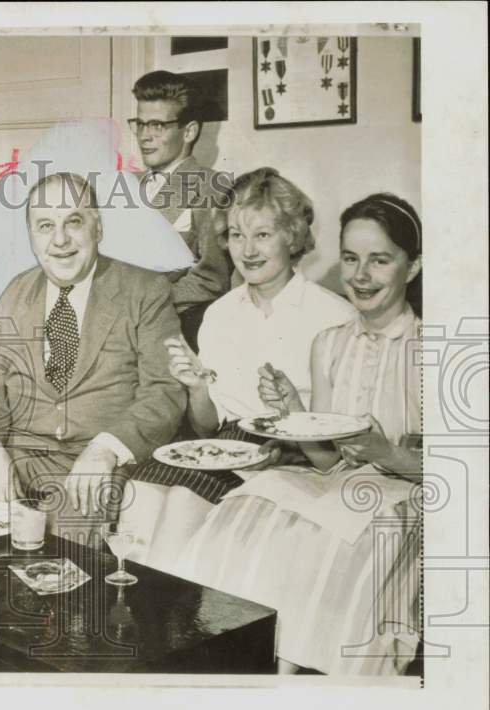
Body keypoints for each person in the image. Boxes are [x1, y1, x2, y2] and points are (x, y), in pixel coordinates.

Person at [144, 193, 424, 676]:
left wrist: (384, 453)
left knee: (316, 542)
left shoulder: (433, 347)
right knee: (243, 511)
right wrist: (296, 413)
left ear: (412, 267)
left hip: (402, 493)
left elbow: (465, 472)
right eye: (352, 259)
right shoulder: (330, 343)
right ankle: (218, 660)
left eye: (380, 261)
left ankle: (287, 678)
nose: (361, 275)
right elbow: (328, 462)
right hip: (334, 481)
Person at [0, 172, 185, 533]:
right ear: (31, 236)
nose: (60, 240)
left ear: (98, 227)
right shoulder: (17, 291)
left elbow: (164, 391)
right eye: (45, 226)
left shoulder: (145, 291)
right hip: (21, 451)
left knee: (79, 509)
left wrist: (107, 447)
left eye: (73, 222)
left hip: (91, 461)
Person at [127, 168, 355, 513]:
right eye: (236, 235)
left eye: (262, 234)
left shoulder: (336, 317)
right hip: (226, 455)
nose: (247, 250)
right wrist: (198, 387)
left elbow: (341, 451)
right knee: (139, 494)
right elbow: (208, 425)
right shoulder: (219, 314)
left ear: (292, 237)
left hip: (298, 465)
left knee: (178, 509)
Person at [130, 70, 232, 351]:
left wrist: (144, 304)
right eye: (140, 124)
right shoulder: (126, 185)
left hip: (175, 331)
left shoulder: (215, 188)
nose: (144, 137)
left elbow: (212, 279)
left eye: (157, 126)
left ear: (189, 131)